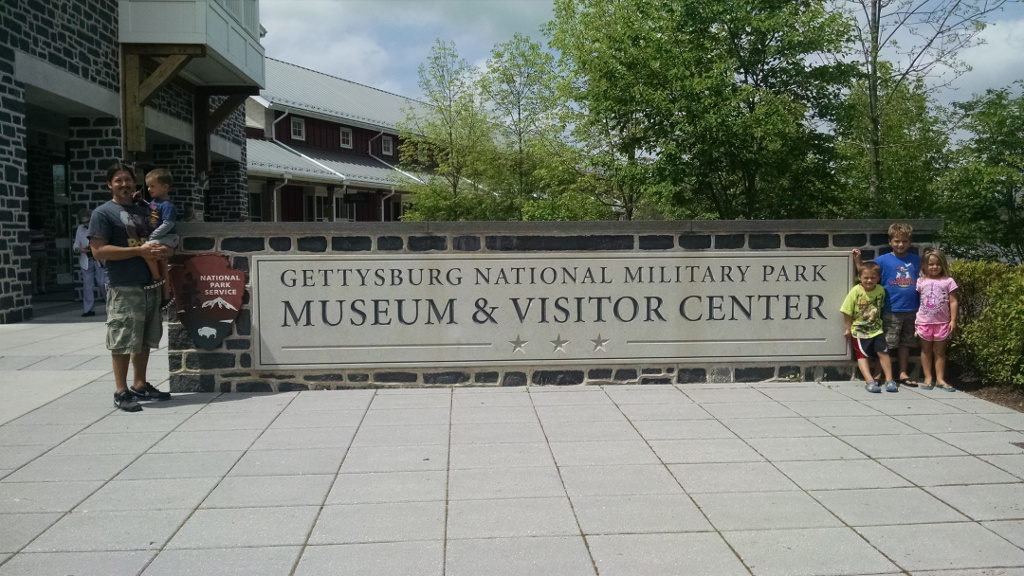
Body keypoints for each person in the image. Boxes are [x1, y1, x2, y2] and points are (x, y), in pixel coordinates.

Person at [89, 162, 172, 412]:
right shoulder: (103, 213)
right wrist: (139, 250)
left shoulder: (145, 210)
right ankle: (121, 391)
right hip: (123, 285)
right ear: (109, 185)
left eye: (128, 180)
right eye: (118, 181)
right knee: (123, 340)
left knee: (145, 340)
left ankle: (139, 384)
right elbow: (98, 251)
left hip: (150, 284)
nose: (124, 184)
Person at [853, 223, 920, 388]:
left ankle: (903, 373)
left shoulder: (916, 260)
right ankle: (878, 373)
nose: (900, 244)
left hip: (912, 308)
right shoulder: (883, 260)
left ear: (910, 242)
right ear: (890, 241)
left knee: (906, 343)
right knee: (886, 344)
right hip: (891, 308)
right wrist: (858, 260)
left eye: (904, 241)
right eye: (897, 241)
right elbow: (867, 273)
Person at [841, 261, 897, 393]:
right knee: (862, 356)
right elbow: (846, 311)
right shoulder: (856, 291)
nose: (869, 280)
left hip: (877, 329)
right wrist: (849, 328)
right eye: (866, 277)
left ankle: (890, 380)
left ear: (878, 278)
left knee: (883, 352)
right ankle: (869, 381)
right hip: (860, 330)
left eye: (873, 277)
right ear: (860, 278)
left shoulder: (881, 290)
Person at [916, 249, 959, 392]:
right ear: (924, 266)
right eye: (931, 264)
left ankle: (940, 379)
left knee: (940, 351)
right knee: (926, 350)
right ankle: (928, 378)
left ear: (943, 265)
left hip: (942, 323)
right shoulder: (921, 281)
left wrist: (953, 320)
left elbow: (953, 302)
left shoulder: (948, 281)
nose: (934, 267)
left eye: (938, 264)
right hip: (924, 322)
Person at [143, 168, 179, 309]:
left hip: (168, 237)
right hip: (160, 238)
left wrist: (152, 235)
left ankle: (155, 278)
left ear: (165, 187)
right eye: (148, 186)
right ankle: (165, 295)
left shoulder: (167, 205)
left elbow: (168, 224)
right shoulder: (154, 203)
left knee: (147, 250)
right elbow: (147, 210)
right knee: (163, 262)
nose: (149, 189)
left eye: (152, 186)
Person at [73, 209, 108, 317]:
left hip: (99, 260)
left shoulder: (98, 227)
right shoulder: (80, 229)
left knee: (103, 283)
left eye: (87, 221)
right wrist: (79, 249)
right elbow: (75, 244)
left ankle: (110, 305)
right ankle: (89, 309)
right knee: (88, 286)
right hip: (86, 260)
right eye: (83, 222)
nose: (86, 224)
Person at [28, 217, 49, 294]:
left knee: (34, 272)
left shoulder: (31, 232)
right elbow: (45, 242)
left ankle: (35, 288)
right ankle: (43, 287)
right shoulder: (42, 231)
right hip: (43, 252)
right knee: (42, 271)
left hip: (34, 252)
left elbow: (29, 242)